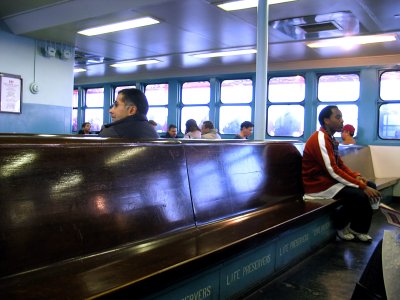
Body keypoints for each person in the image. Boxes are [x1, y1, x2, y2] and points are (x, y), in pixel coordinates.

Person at [302, 105, 381, 242]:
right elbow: (332, 170)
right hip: (318, 186)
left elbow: (340, 164)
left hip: (329, 181)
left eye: (341, 117)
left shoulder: (331, 139)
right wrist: (361, 186)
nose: (342, 120)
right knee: (360, 194)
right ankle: (340, 225)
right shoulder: (320, 139)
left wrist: (355, 176)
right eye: (338, 117)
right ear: (326, 120)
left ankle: (358, 229)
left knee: (371, 185)